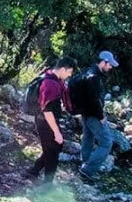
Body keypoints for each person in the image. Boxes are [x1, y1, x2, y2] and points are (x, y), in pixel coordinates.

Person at [27, 57, 78, 185]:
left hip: (43, 120)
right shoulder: (51, 84)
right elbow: (47, 111)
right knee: (53, 153)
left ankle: (34, 170)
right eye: (69, 72)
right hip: (45, 122)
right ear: (62, 69)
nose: (70, 75)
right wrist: (57, 132)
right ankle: (47, 185)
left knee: (53, 148)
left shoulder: (49, 76)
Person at [77, 51, 119, 182]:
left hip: (86, 113)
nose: (111, 67)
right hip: (94, 114)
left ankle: (84, 165)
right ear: (104, 61)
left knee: (88, 138)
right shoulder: (94, 76)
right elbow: (94, 100)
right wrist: (101, 116)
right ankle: (87, 169)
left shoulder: (88, 72)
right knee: (106, 143)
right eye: (110, 64)